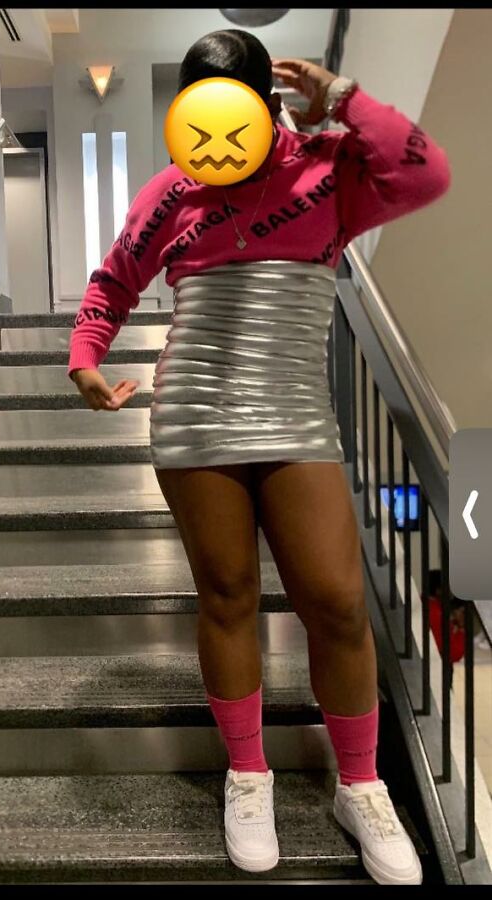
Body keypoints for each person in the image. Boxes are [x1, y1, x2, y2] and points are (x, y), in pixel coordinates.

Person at [68, 29, 450, 885]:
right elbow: (115, 279)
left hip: (294, 413)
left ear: (267, 104)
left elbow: (424, 173)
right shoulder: (175, 188)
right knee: (228, 596)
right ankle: (248, 774)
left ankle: (361, 785)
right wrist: (86, 355)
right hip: (194, 415)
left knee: (337, 604)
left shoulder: (329, 170)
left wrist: (344, 100)